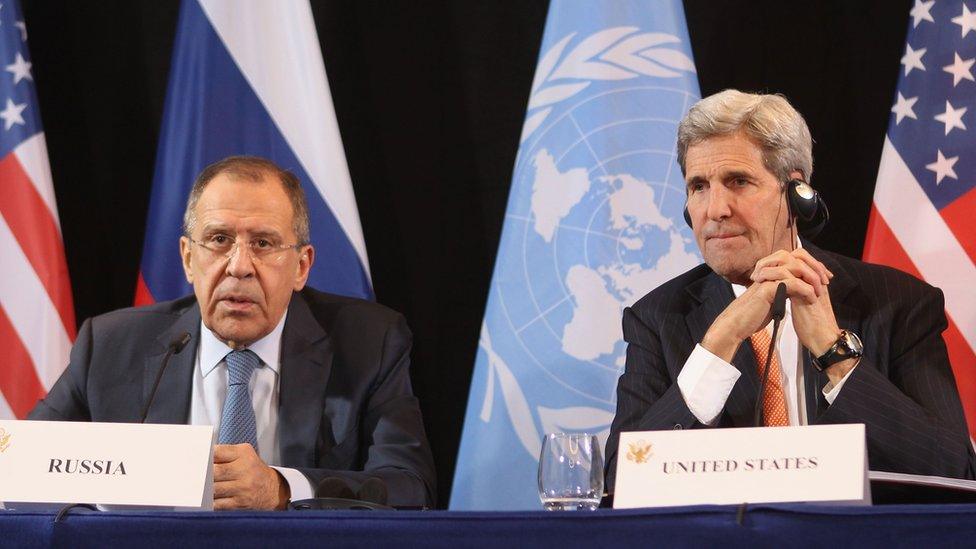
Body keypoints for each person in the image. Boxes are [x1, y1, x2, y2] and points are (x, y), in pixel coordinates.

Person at [605, 89, 976, 491]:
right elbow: (620, 481)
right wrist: (718, 344)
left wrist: (836, 354)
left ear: (797, 194)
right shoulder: (660, 318)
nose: (715, 210)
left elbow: (955, 473)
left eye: (738, 181)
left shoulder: (896, 303)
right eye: (699, 187)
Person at [30, 156, 436, 509]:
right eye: (219, 239)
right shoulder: (111, 347)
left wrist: (282, 489)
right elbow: (22, 466)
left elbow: (408, 487)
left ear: (301, 266)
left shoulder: (368, 343)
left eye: (263, 243)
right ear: (189, 259)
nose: (239, 266)